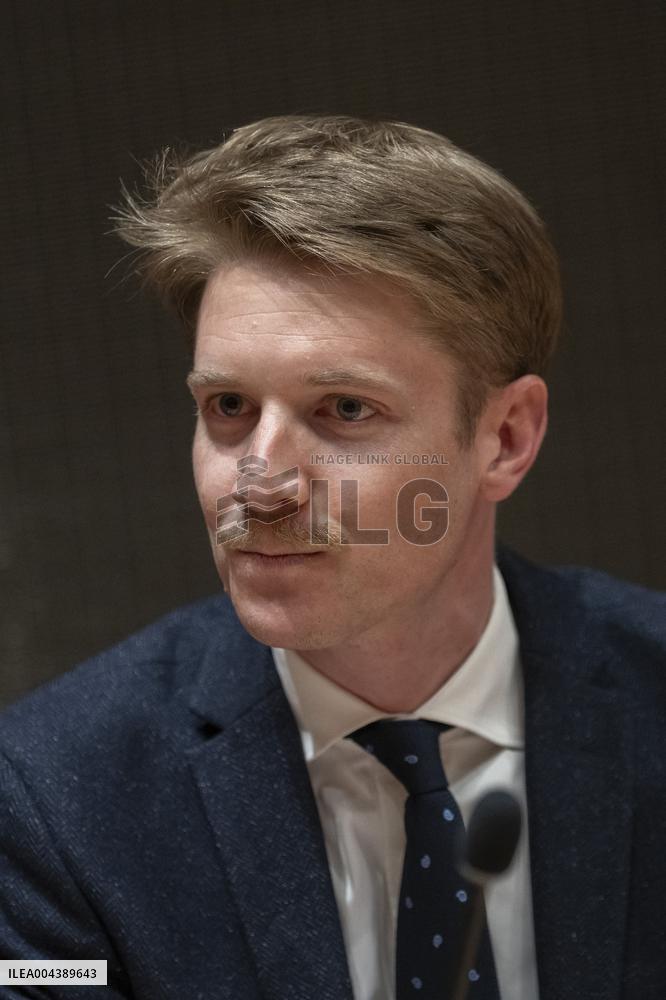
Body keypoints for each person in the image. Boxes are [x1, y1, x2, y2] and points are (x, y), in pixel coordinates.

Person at [0, 115, 663, 1000]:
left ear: (505, 437)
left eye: (345, 411)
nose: (261, 483)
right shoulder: (56, 799)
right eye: (229, 406)